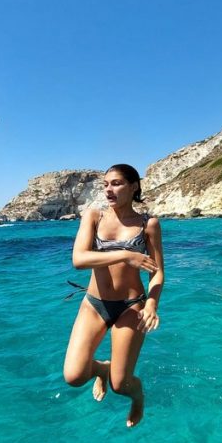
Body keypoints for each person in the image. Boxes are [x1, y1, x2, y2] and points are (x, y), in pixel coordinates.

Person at [63, 165, 164, 427]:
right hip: (94, 304)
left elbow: (158, 273)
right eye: (106, 184)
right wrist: (125, 254)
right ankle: (102, 368)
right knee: (73, 376)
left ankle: (137, 397)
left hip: (131, 306)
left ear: (133, 187)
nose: (109, 189)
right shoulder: (94, 217)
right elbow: (79, 259)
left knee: (121, 385)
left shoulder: (148, 225)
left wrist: (152, 303)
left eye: (117, 184)